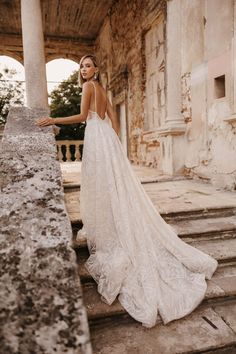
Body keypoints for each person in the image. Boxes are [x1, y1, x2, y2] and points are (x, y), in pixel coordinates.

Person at [36, 54, 218, 328]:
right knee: (113, 183)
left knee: (101, 183)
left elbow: (84, 116)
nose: (84, 70)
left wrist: (53, 120)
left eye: (88, 65)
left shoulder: (88, 87)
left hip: (96, 137)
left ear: (96, 69)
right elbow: (111, 115)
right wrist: (117, 144)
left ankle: (110, 223)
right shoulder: (102, 88)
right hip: (106, 137)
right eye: (82, 66)